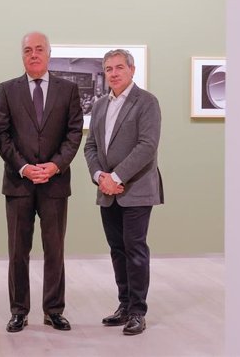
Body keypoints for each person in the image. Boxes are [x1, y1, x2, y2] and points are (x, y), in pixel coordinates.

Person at [0, 31, 83, 333]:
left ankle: (54, 310)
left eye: (39, 49)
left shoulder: (68, 90)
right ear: (22, 55)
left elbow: (74, 134)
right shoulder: (7, 89)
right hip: (19, 183)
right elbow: (1, 135)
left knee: (54, 250)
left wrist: (55, 166)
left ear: (48, 54)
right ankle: (19, 311)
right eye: (28, 50)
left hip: (55, 184)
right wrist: (23, 167)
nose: (34, 54)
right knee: (18, 251)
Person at [83, 48, 164, 336]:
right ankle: (124, 304)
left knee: (135, 249)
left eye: (119, 67)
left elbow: (147, 146)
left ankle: (138, 312)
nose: (114, 73)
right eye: (108, 69)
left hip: (136, 189)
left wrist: (117, 176)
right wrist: (99, 176)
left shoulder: (147, 103)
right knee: (117, 249)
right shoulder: (100, 105)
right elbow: (90, 146)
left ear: (132, 70)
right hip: (107, 190)